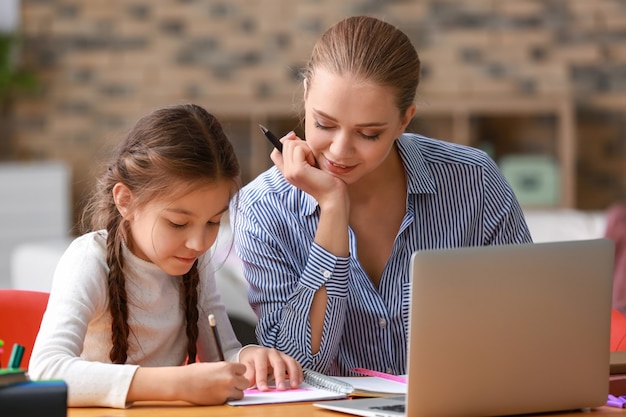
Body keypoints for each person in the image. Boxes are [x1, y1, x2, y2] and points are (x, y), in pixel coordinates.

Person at [232, 16, 532, 377]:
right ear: (306, 95)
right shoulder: (264, 207)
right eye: (324, 125)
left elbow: (526, 322)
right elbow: (298, 367)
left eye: (369, 134)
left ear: (405, 120)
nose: (340, 151)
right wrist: (332, 208)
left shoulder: (473, 180)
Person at [29, 104, 302, 408]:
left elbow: (222, 354)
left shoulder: (196, 263)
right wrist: (176, 383)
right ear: (126, 201)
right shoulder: (89, 261)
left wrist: (249, 357)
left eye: (213, 221)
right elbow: (46, 372)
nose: (199, 243)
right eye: (178, 223)